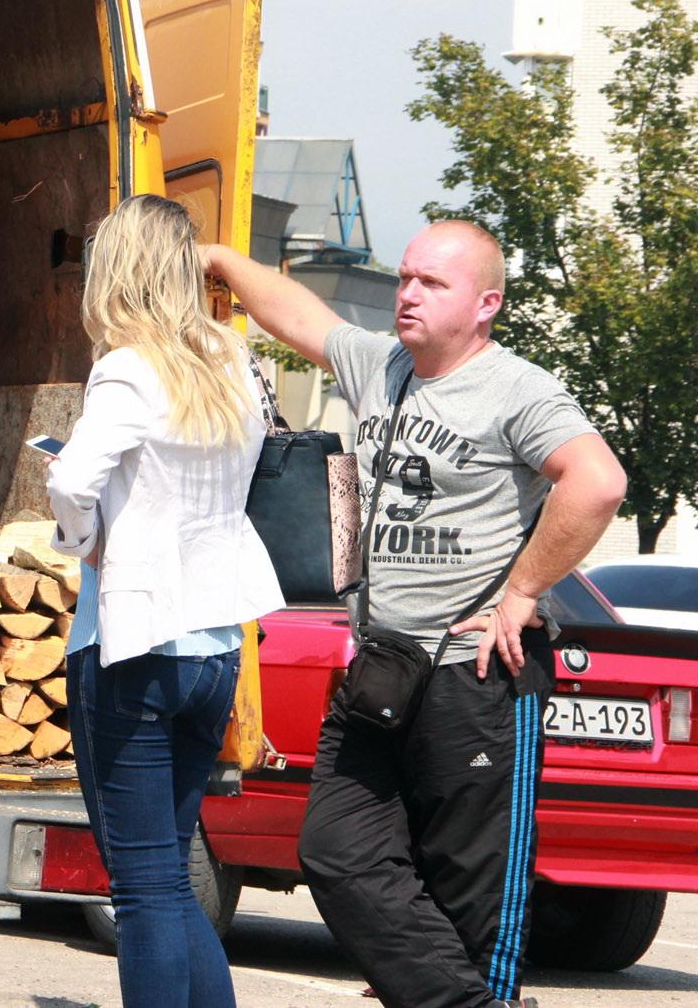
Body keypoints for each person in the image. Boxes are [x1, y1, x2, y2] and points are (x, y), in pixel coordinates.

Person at [204, 219, 626, 1008]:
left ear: (486, 302)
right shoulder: (384, 366)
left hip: (474, 680)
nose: (407, 294)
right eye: (404, 278)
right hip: (382, 670)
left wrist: (524, 588)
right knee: (335, 851)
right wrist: (224, 258)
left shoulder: (517, 388)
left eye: (432, 282)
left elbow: (597, 482)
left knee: (471, 906)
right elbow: (303, 317)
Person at [44, 194, 285, 1008]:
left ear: (118, 268)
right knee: (172, 879)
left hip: (137, 641)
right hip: (217, 642)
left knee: (143, 888)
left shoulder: (127, 366)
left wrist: (86, 539)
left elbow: (71, 478)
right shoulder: (231, 359)